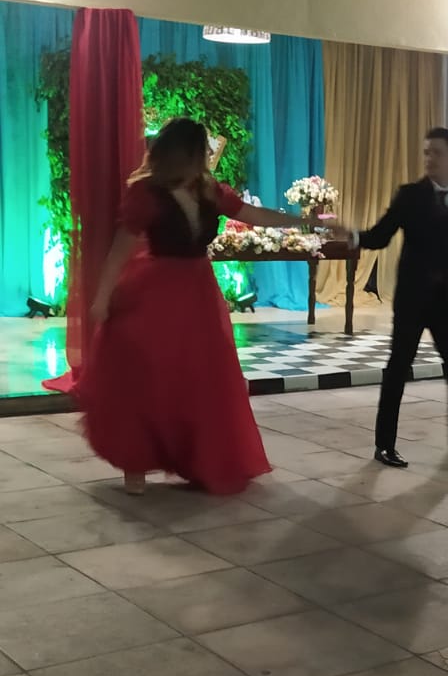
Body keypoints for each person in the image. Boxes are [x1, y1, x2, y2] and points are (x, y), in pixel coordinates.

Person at [81, 117, 309, 495]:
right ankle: (136, 463)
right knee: (148, 377)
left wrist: (301, 222)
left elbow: (253, 215)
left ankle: (198, 459)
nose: (205, 157)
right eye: (200, 151)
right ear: (180, 153)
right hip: (156, 293)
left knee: (198, 378)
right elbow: (120, 249)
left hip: (198, 294)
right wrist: (102, 298)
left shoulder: (209, 191)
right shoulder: (146, 193)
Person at [349, 127, 448, 468]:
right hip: (411, 297)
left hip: (443, 297)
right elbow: (381, 235)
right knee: (398, 368)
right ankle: (384, 445)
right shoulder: (410, 195)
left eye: (436, 152)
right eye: (426, 152)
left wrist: (444, 264)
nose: (429, 159)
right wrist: (353, 236)